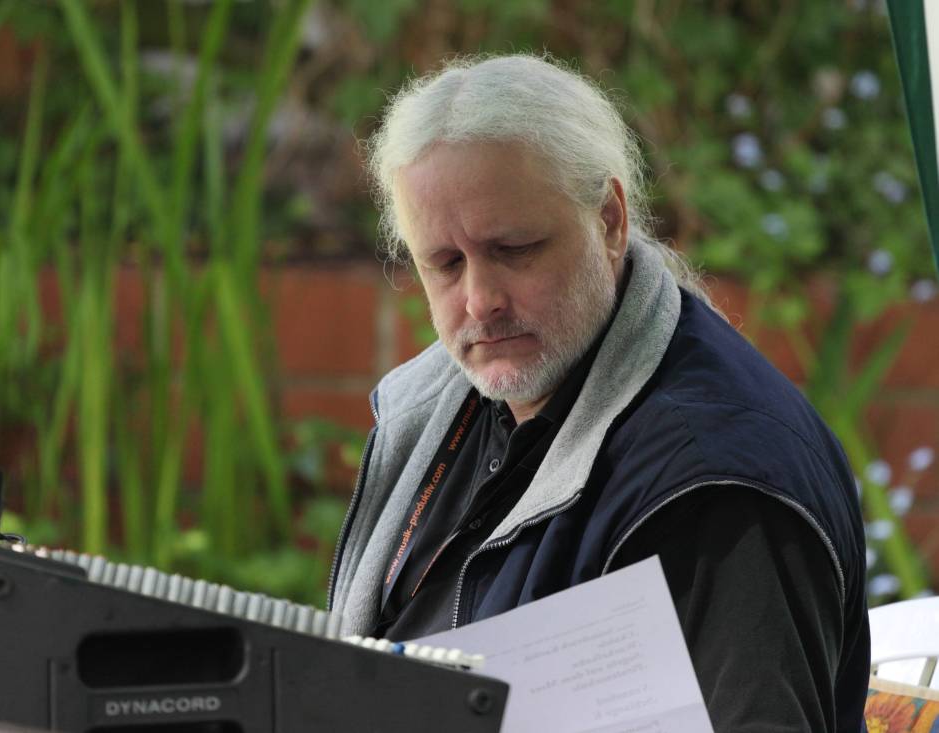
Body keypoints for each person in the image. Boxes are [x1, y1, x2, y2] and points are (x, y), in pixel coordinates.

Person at [326, 54, 869, 731]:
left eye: (514, 248)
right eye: (445, 262)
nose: (480, 299)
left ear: (610, 220)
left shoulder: (717, 480)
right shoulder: (431, 409)